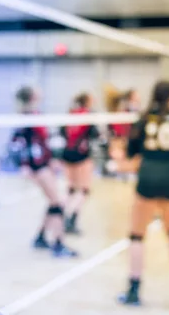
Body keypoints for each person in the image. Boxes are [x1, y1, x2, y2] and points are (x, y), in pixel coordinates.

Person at [118, 80, 169, 306]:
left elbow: (131, 152)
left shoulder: (143, 120)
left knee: (137, 235)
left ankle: (134, 290)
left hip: (148, 176)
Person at [12, 86, 77, 258]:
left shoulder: (35, 114)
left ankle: (41, 237)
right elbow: (18, 143)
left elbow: (43, 141)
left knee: (54, 201)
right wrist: (24, 164)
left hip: (43, 163)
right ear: (31, 96)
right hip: (37, 165)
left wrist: (52, 160)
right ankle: (58, 244)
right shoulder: (26, 117)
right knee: (58, 203)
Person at [61, 93, 99, 234]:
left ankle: (61, 213)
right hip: (81, 154)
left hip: (67, 152)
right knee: (84, 189)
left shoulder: (71, 113)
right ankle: (72, 219)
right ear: (87, 101)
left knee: (71, 189)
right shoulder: (89, 115)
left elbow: (62, 131)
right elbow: (95, 134)